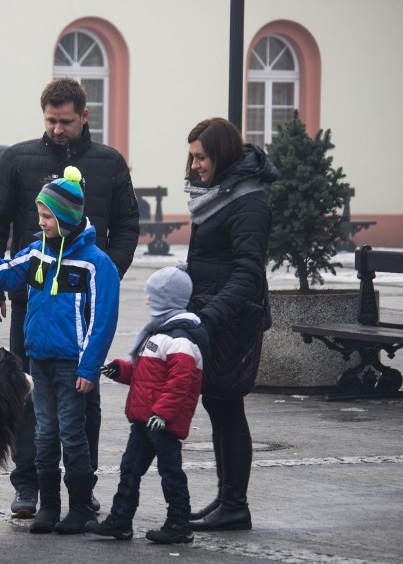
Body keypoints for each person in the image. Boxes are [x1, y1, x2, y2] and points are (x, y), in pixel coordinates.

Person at [0, 77, 140, 518]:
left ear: (84, 116)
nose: (58, 129)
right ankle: (27, 484)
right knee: (27, 396)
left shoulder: (108, 163)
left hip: (81, 308)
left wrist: (103, 275)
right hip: (33, 304)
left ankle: (81, 492)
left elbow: (126, 227)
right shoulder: (17, 158)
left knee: (82, 401)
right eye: (51, 120)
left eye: (66, 121)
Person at [0, 166, 119, 535]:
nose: (40, 222)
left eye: (47, 216)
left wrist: (89, 368)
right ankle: (49, 507)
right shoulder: (37, 253)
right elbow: (6, 273)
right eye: (39, 214)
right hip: (39, 360)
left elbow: (102, 321)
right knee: (44, 434)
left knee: (72, 432)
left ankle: (81, 507)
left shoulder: (95, 263)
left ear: (67, 218)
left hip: (73, 365)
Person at [182, 117, 276, 532]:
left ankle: (235, 504)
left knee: (228, 408)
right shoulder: (219, 195)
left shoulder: (248, 201)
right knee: (218, 407)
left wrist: (210, 314)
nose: (195, 165)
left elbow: (247, 272)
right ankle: (226, 497)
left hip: (231, 318)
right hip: (212, 312)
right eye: (192, 157)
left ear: (220, 154)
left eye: (201, 156)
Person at [86, 266, 209, 544]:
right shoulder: (158, 332)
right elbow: (149, 377)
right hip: (145, 418)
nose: (146, 301)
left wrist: (163, 414)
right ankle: (121, 519)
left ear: (166, 299)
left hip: (161, 421)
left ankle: (179, 523)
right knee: (129, 468)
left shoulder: (180, 337)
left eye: (151, 296)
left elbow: (181, 382)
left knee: (170, 472)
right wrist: (122, 370)